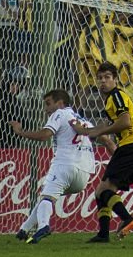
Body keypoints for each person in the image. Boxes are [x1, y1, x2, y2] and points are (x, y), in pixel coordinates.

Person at [72, 61, 133, 243]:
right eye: (100, 78)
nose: (103, 81)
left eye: (107, 77)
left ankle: (127, 219)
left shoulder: (116, 96)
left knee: (104, 190)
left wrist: (99, 131)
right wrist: (88, 131)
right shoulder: (111, 99)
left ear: (115, 80)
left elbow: (125, 122)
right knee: (102, 190)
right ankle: (103, 234)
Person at [10, 89, 104, 244]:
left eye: (48, 104)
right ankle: (24, 229)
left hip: (64, 165)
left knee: (47, 197)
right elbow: (105, 140)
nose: (46, 109)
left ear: (60, 103)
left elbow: (45, 135)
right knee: (47, 197)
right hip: (84, 175)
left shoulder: (60, 114)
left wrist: (20, 132)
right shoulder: (85, 122)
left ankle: (44, 226)